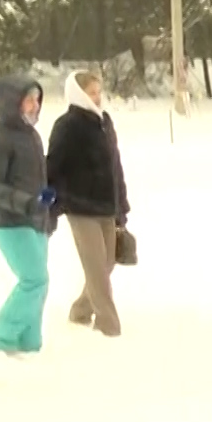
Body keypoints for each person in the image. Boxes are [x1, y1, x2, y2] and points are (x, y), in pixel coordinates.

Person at [45, 71, 130, 336]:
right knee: (95, 268)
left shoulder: (104, 122)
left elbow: (115, 166)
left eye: (98, 92)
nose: (97, 97)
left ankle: (81, 310)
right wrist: (51, 202)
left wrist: (121, 206)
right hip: (80, 207)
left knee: (107, 263)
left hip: (106, 204)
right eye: (92, 93)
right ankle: (109, 326)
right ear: (79, 94)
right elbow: (52, 166)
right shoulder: (67, 125)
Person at [0, 73, 53, 357]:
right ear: (12, 103)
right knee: (34, 279)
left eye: (37, 99)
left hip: (36, 218)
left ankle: (29, 342)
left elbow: (36, 177)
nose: (35, 105)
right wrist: (25, 203)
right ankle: (1, 339)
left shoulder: (31, 135)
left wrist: (48, 202)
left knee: (40, 283)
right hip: (9, 221)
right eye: (28, 100)